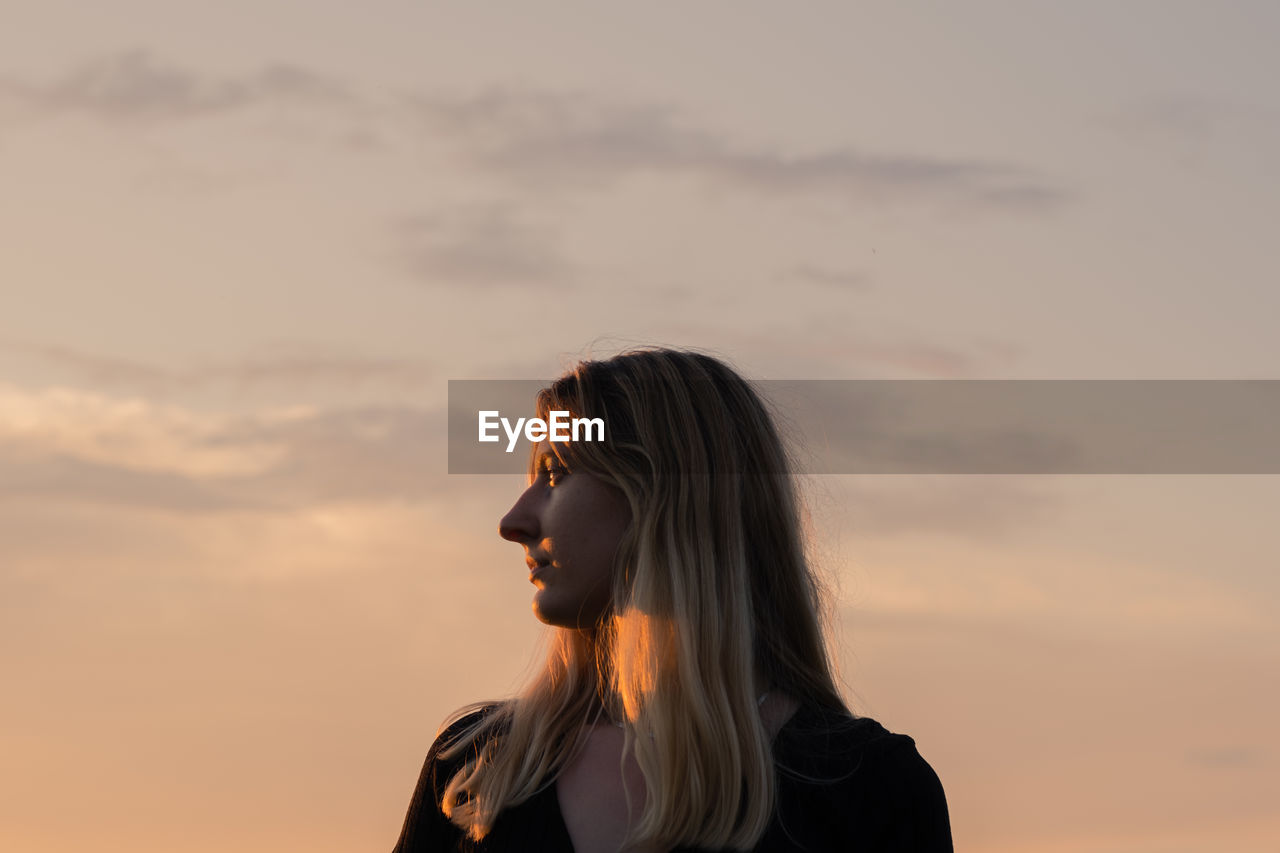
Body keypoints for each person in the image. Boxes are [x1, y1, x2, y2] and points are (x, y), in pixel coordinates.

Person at [393, 348, 952, 852]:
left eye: (555, 474)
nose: (513, 522)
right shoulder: (474, 772)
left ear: (664, 497)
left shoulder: (867, 788)